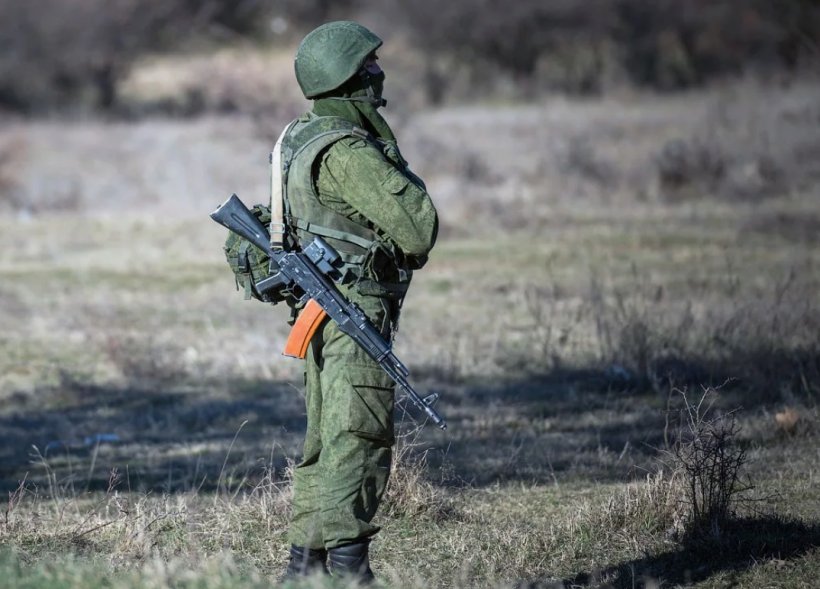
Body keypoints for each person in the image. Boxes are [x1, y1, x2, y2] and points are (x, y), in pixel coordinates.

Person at [280, 21, 438, 582]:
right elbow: (419, 229)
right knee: (358, 436)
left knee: (325, 442)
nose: (380, 73)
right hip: (352, 312)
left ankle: (306, 569)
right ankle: (349, 572)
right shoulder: (348, 151)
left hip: (323, 309)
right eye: (369, 66)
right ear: (347, 78)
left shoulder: (299, 136)